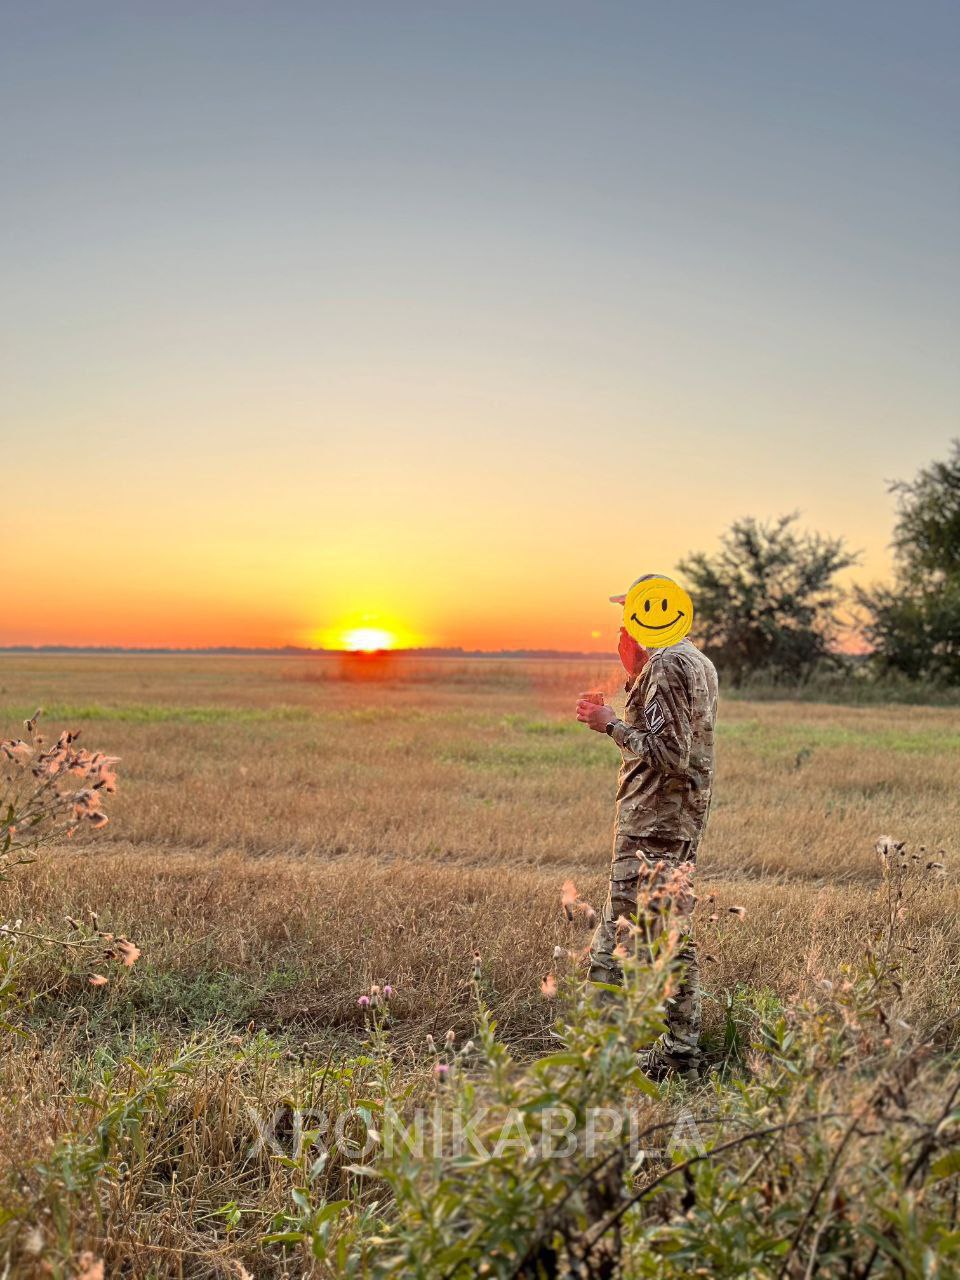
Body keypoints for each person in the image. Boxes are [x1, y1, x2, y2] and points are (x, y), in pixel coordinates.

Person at [576, 575, 718, 1078]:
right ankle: (678, 1053)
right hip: (678, 819)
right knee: (668, 934)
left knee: (619, 936)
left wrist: (608, 723)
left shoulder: (668, 664)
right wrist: (632, 677)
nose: (623, 625)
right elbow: (676, 734)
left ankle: (606, 1055)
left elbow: (666, 752)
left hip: (652, 820)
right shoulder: (695, 661)